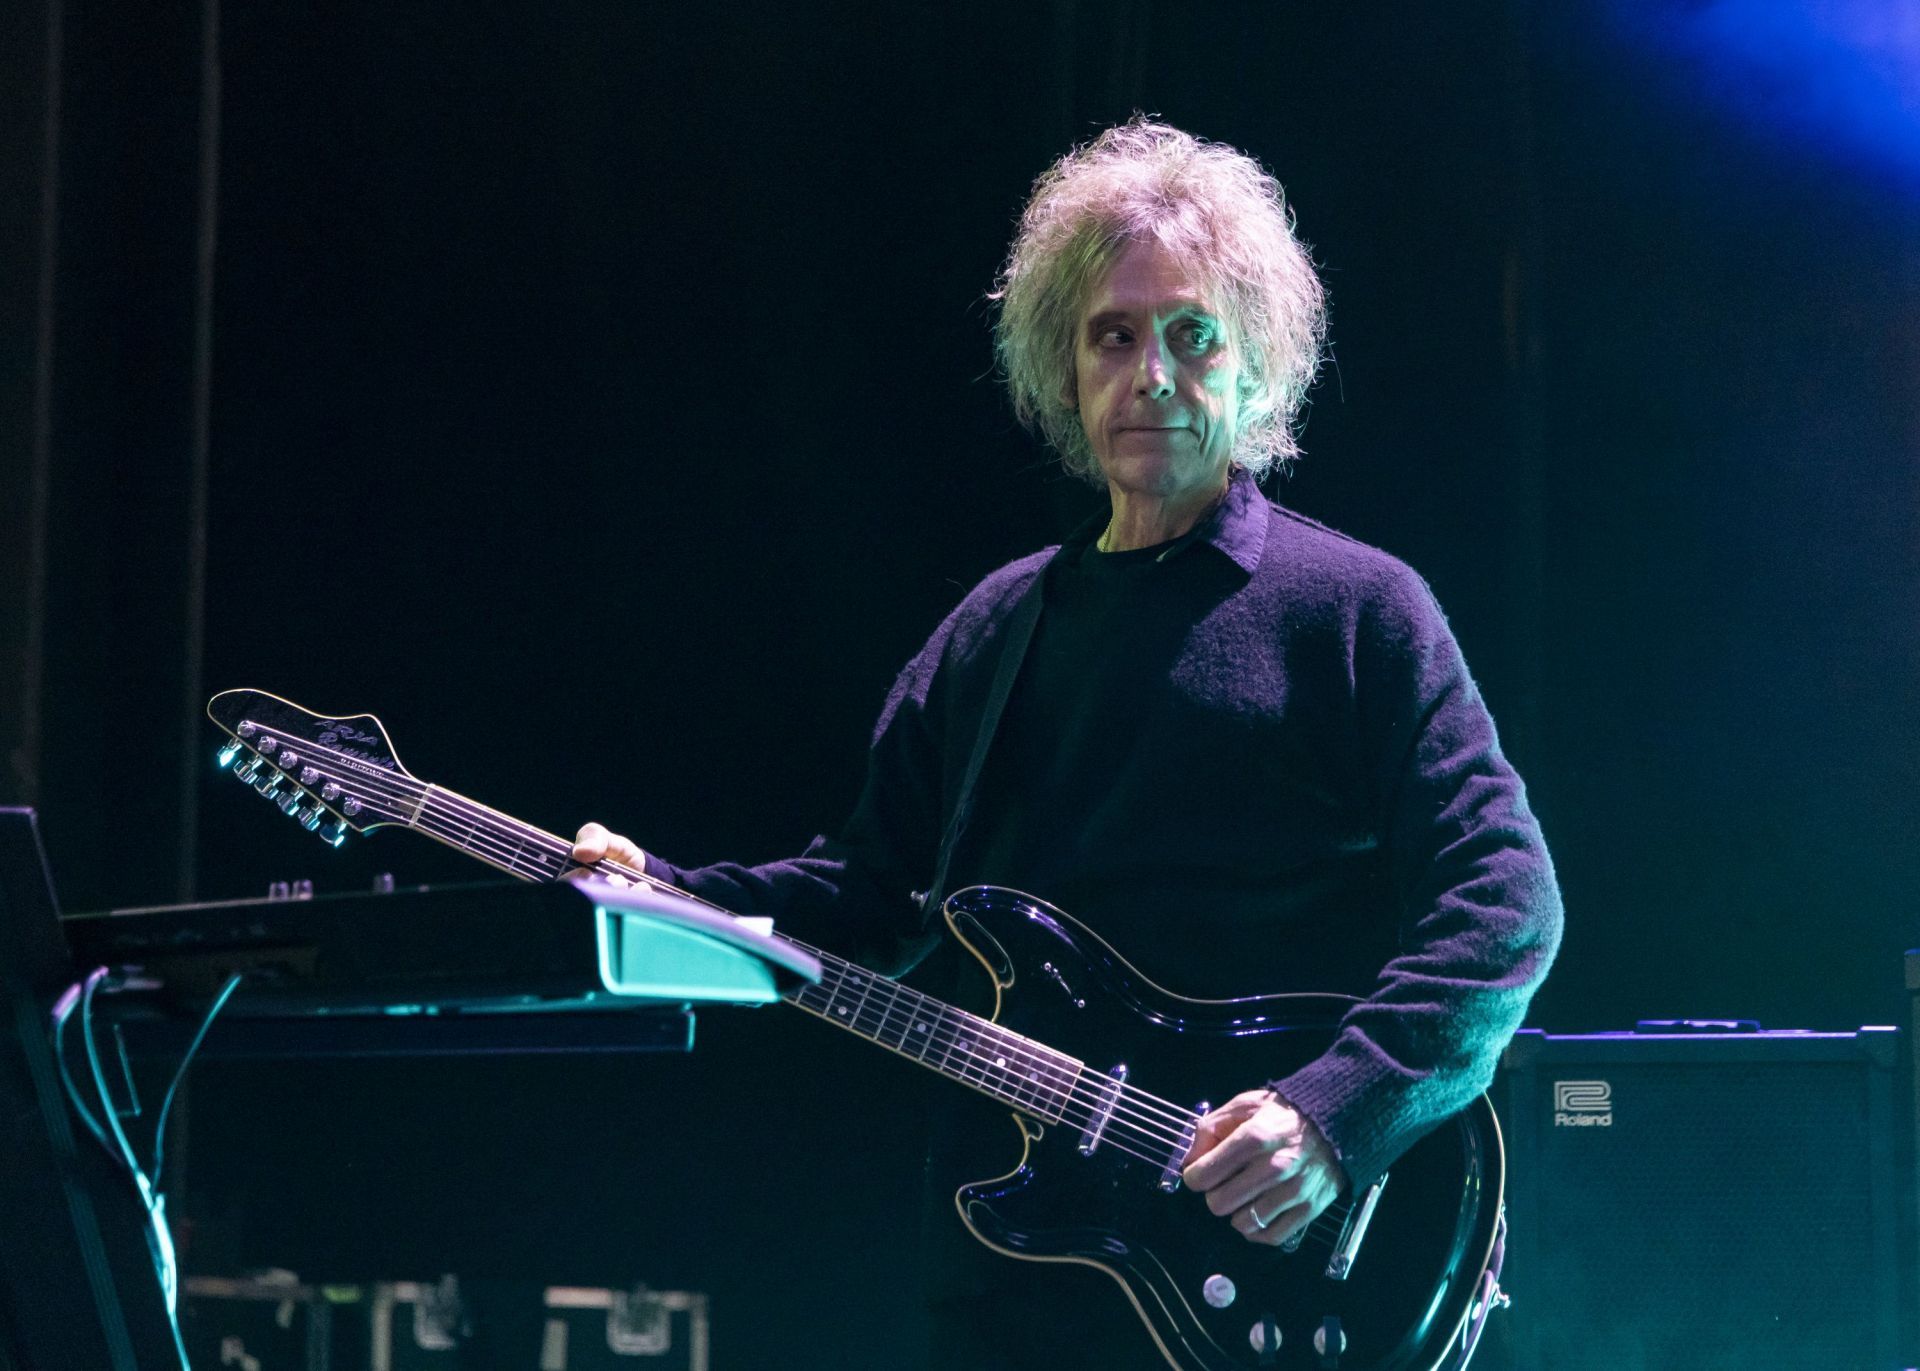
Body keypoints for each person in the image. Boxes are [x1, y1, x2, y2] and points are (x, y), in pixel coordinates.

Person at [573, 117, 1562, 1368]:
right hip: (1014, 1278)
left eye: (1194, 335)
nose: (1152, 373)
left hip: (1270, 1262)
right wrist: (662, 895)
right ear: (1065, 365)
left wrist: (1332, 1114)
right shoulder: (997, 630)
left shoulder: (1356, 611)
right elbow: (864, 897)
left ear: (1257, 364)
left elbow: (1506, 902)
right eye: (1114, 335)